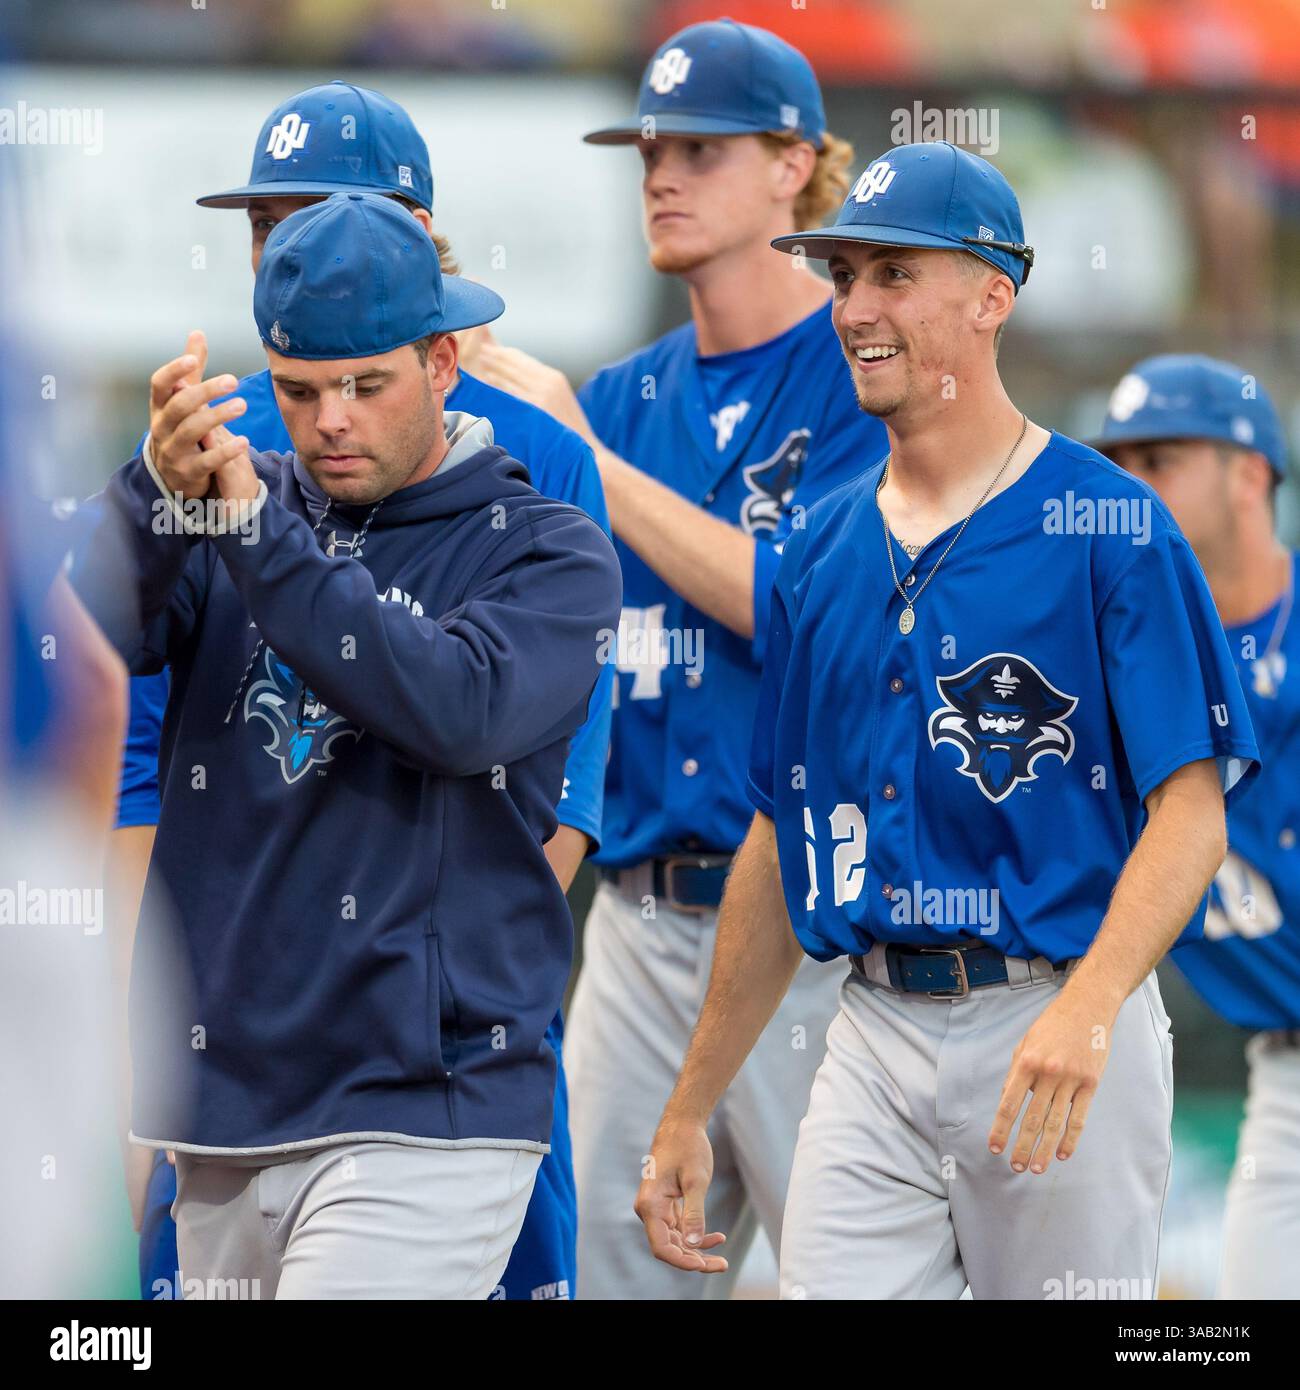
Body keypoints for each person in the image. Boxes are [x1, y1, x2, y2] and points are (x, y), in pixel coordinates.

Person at [634, 141, 1260, 1300]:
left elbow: (1190, 813)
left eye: (893, 274)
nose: (857, 308)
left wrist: (1090, 1006)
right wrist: (690, 1102)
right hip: (868, 1025)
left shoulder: (1106, 523)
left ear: (991, 294)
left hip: (1059, 1014)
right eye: (842, 278)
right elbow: (777, 834)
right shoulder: (817, 546)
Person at [75, 191, 621, 1299]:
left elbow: (456, 711)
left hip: (429, 1107)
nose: (329, 419)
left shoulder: (548, 548)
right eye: (299, 390)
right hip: (226, 1102)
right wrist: (151, 492)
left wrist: (245, 530)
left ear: (443, 359)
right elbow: (82, 640)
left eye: (367, 385)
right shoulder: (238, 505)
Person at [465, 17, 887, 1299]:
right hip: (639, 924)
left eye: (699, 147)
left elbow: (802, 607)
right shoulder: (626, 391)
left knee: (849, 1278)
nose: (660, 172)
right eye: (649, 146)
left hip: (813, 927)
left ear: (791, 163)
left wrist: (581, 458)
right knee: (598, 1276)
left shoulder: (861, 360)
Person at [1097, 354, 1299, 1300]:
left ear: (1250, 473)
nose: (1132, 488)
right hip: (1284, 1081)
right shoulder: (1108, 666)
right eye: (1120, 464)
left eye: (1162, 459)